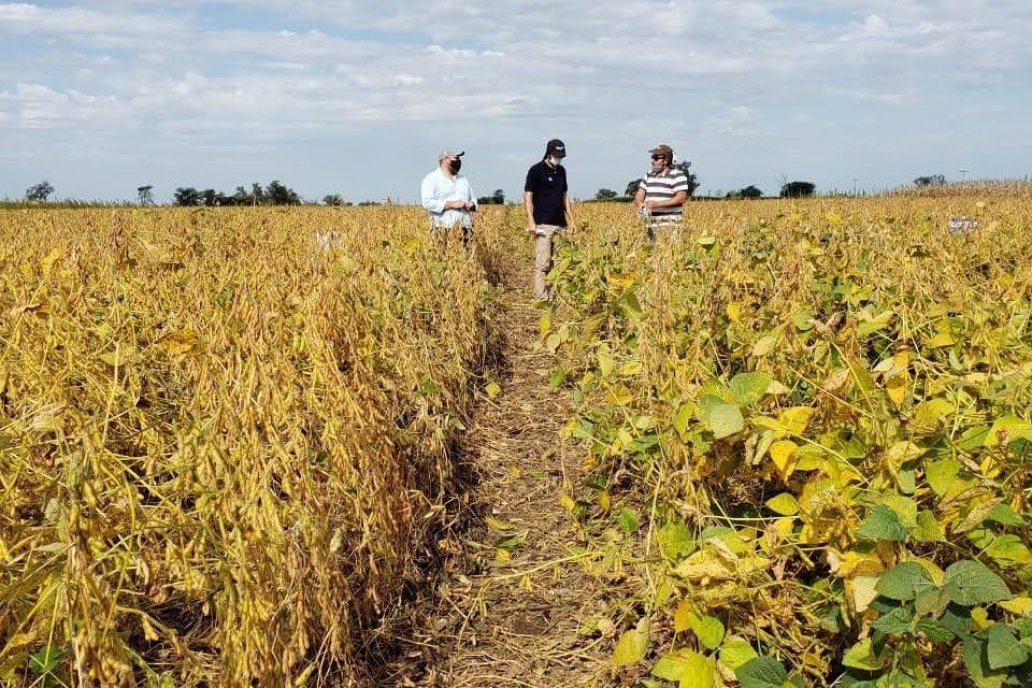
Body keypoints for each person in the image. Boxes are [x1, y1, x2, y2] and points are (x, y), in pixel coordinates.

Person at [524, 138, 576, 301]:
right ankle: (542, 299)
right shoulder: (536, 170)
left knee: (559, 264)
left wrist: (572, 221)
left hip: (560, 224)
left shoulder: (562, 171)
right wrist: (531, 221)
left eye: (561, 156)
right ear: (548, 153)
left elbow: (565, 197)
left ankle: (554, 296)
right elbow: (528, 196)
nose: (559, 158)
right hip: (543, 224)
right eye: (556, 155)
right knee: (543, 264)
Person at [421, 148, 477, 244]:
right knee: (443, 257)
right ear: (445, 159)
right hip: (442, 228)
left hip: (465, 227)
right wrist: (451, 204)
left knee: (466, 257)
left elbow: (474, 200)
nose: (459, 161)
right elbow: (427, 202)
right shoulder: (431, 179)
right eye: (456, 158)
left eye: (460, 158)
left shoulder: (463, 180)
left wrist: (471, 205)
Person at [634, 144, 689, 239]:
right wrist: (640, 204)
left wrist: (656, 205)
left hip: (670, 225)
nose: (652, 161)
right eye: (652, 157)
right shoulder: (649, 175)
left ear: (666, 160)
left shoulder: (677, 175)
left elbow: (681, 198)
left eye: (656, 158)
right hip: (650, 225)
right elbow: (640, 193)